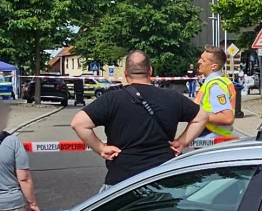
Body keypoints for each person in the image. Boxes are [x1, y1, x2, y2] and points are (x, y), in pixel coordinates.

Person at [71, 50, 211, 194]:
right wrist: (182, 142)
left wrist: (101, 148)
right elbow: (201, 117)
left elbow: (79, 123)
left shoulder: (111, 99)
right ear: (150, 71)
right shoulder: (172, 97)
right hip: (163, 179)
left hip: (123, 181)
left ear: (125, 73)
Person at [194, 45, 237, 138]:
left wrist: (196, 115)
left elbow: (228, 118)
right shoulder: (211, 83)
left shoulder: (215, 86)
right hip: (209, 134)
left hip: (212, 136)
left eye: (203, 60)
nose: (199, 62)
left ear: (214, 66)